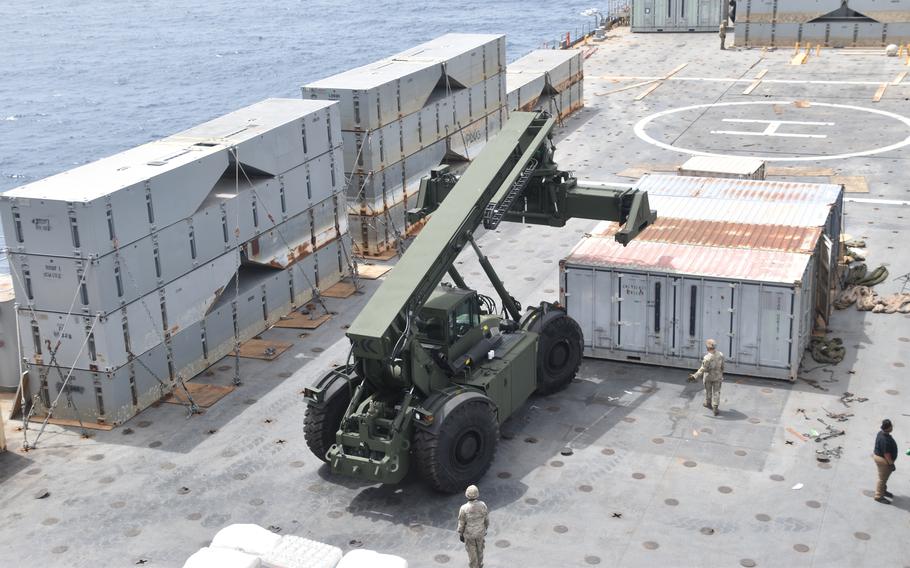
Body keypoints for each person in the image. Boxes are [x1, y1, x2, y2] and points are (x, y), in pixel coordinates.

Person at [688, 339, 725, 415]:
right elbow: (723, 366)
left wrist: (695, 376)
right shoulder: (721, 355)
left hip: (708, 377)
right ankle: (715, 407)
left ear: (707, 348)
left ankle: (708, 403)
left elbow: (702, 369)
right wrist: (721, 373)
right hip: (718, 376)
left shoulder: (707, 358)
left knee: (708, 391)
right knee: (716, 392)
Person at [457, 485, 489, 568]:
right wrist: (485, 528)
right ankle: (480, 565)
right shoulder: (482, 505)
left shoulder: (463, 508)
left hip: (469, 535)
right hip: (480, 533)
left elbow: (461, 523)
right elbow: (486, 519)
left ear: (466, 495)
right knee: (480, 551)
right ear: (477, 494)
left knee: (472, 555)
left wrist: (461, 534)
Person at [873, 419, 898, 503]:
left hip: (880, 457)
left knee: (884, 477)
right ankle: (878, 496)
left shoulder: (881, 433)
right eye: (891, 426)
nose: (892, 427)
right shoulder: (885, 440)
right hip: (883, 460)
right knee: (882, 479)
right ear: (888, 428)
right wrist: (891, 464)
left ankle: (883, 490)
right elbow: (887, 454)